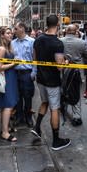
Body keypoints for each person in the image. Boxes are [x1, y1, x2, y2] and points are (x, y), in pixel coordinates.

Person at [31, 14, 71, 151]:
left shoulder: (38, 39)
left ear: (47, 24)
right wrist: (66, 62)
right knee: (55, 108)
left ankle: (37, 127)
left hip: (41, 79)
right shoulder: (57, 43)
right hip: (52, 81)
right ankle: (56, 141)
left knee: (45, 102)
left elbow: (34, 59)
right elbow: (59, 66)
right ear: (58, 24)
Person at [60, 24, 87, 126]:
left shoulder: (60, 41)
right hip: (77, 71)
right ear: (76, 31)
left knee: (64, 89)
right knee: (76, 92)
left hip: (64, 70)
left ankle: (63, 107)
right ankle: (76, 116)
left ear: (66, 31)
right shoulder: (82, 43)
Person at [0, 27, 19, 141]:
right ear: (2, 35)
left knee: (7, 105)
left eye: (11, 33)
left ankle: (6, 127)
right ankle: (4, 132)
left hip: (10, 77)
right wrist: (13, 64)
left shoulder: (8, 48)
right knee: (8, 105)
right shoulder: (2, 49)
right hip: (6, 78)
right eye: (8, 33)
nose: (11, 34)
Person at [12, 22, 36, 127]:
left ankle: (28, 117)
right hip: (15, 73)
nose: (14, 31)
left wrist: (34, 73)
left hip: (27, 73)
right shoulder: (12, 43)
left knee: (28, 96)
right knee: (17, 97)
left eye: (16, 28)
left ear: (22, 28)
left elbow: (35, 59)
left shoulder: (32, 42)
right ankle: (19, 117)